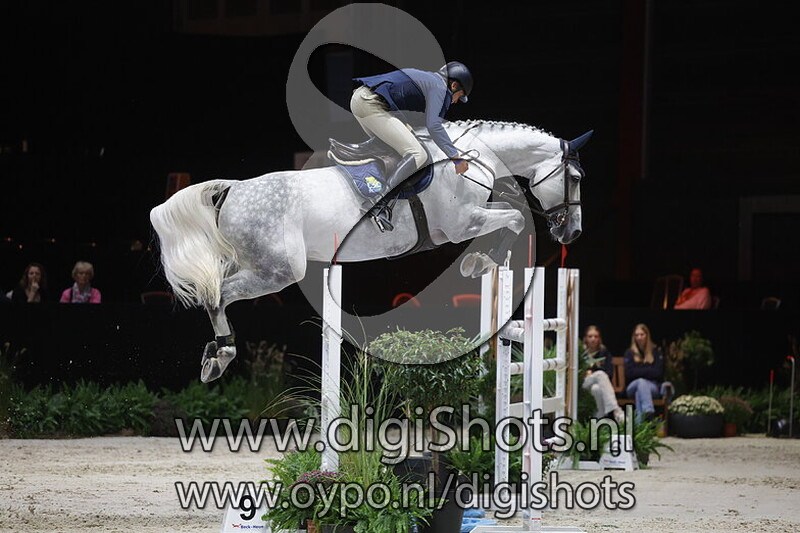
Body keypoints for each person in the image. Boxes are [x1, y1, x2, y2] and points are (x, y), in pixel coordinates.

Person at [351, 61, 473, 231]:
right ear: (453, 86)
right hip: (371, 104)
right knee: (418, 154)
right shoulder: (440, 89)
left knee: (396, 149)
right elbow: (434, 126)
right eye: (459, 96)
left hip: (360, 98)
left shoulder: (429, 80)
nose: (455, 101)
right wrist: (456, 158)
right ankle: (376, 203)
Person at [623, 323, 667, 420]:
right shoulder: (629, 353)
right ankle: (649, 410)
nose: (639, 337)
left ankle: (641, 424)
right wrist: (648, 369)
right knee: (641, 382)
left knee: (639, 393)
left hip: (652, 387)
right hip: (632, 386)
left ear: (647, 335)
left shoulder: (655, 352)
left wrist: (639, 369)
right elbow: (629, 373)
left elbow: (658, 373)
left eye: (642, 334)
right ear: (634, 337)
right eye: (637, 335)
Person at [581, 325, 624, 423]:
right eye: (590, 336)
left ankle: (599, 419)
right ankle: (616, 411)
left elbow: (609, 373)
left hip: (600, 384)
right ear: (585, 338)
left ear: (599, 338)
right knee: (600, 374)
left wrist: (592, 371)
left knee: (596, 388)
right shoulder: (581, 353)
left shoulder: (604, 352)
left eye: (595, 336)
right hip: (584, 384)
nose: (593, 339)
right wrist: (587, 372)